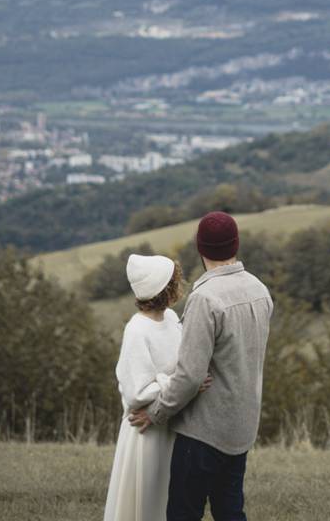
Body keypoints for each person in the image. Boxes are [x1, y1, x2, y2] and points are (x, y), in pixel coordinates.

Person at [129, 212, 274, 521]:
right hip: (242, 426)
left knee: (183, 513)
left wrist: (155, 413)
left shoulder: (205, 299)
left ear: (201, 248)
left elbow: (190, 375)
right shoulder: (261, 291)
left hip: (203, 432)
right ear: (236, 244)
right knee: (231, 512)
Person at [103, 254, 212, 521]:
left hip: (170, 421)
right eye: (174, 281)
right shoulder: (137, 330)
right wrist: (184, 384)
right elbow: (136, 391)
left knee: (168, 498)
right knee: (146, 499)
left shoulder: (173, 319)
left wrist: (190, 378)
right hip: (146, 430)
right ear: (164, 289)